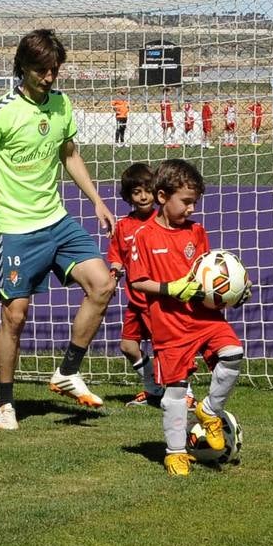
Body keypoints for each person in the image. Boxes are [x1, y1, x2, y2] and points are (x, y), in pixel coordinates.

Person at [0, 29, 117, 431]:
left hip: (58, 221)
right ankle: (4, 404)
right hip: (15, 229)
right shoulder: (0, 113)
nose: (50, 77)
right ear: (22, 68)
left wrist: (96, 200)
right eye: (41, 70)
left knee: (102, 284)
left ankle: (67, 371)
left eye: (54, 69)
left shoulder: (62, 104)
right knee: (15, 316)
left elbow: (70, 155)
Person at [125, 159, 247, 476]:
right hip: (169, 325)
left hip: (204, 318)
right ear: (163, 197)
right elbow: (137, 281)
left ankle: (210, 410)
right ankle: (176, 453)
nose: (192, 209)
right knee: (176, 391)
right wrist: (171, 288)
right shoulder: (144, 236)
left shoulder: (197, 232)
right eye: (186, 202)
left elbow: (207, 277)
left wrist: (231, 292)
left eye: (195, 202)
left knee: (233, 353)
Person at [107, 162, 160, 407]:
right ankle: (153, 389)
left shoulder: (162, 221)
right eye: (136, 192)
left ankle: (186, 392)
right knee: (128, 346)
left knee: (166, 349)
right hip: (135, 300)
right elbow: (117, 254)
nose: (143, 196)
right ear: (129, 196)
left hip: (159, 300)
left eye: (147, 190)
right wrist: (115, 270)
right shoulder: (124, 226)